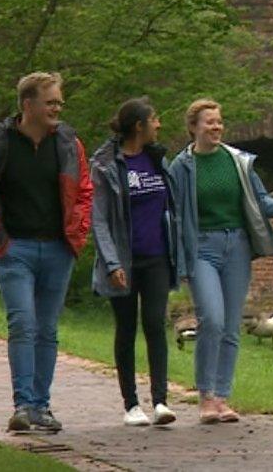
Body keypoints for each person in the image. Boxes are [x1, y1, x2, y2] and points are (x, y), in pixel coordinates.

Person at [0, 72, 92, 432]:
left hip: (57, 248)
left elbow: (84, 190)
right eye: (50, 102)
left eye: (59, 102)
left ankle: (41, 406)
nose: (58, 108)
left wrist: (77, 233)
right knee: (23, 323)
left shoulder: (68, 144)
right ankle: (22, 405)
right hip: (14, 248)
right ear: (28, 105)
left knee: (47, 330)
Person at [168, 99, 273, 424]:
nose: (216, 127)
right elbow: (172, 210)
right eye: (209, 122)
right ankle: (206, 397)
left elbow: (258, 199)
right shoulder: (182, 167)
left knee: (230, 324)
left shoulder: (237, 161)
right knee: (211, 318)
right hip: (202, 247)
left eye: (219, 122)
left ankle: (222, 397)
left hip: (236, 245)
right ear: (193, 127)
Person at [90, 97, 178, 426]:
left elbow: (173, 208)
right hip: (124, 262)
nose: (159, 125)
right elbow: (98, 219)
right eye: (154, 119)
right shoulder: (106, 165)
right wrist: (112, 264)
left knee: (155, 323)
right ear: (139, 126)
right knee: (126, 329)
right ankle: (131, 405)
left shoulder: (158, 160)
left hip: (156, 258)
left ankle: (160, 402)